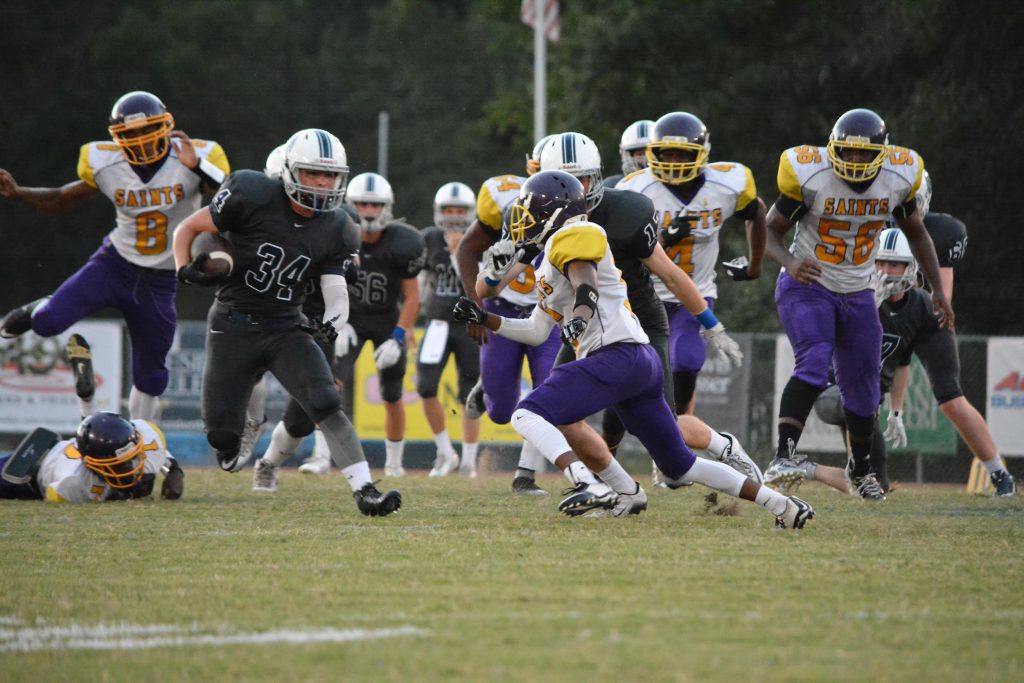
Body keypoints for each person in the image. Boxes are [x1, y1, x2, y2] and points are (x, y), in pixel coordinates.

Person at [453, 171, 812, 527]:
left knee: (526, 414)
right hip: (638, 361)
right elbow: (535, 331)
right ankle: (782, 505)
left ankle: (588, 484)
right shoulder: (549, 256)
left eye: (531, 212)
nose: (523, 220)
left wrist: (580, 316)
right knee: (681, 465)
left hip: (615, 356)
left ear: (556, 213)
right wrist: (485, 319)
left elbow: (586, 283)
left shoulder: (575, 234)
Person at [482, 130, 757, 487]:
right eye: (563, 181)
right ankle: (613, 488)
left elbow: (671, 275)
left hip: (637, 323)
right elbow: (494, 285)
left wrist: (711, 324)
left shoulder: (625, 212)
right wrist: (493, 271)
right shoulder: (538, 215)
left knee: (665, 426)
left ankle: (723, 445)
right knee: (559, 414)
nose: (575, 191)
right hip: (582, 329)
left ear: (596, 177)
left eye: (582, 179)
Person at [172, 128, 401, 517]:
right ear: (290, 170)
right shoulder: (252, 193)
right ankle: (248, 422)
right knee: (222, 437)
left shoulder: (338, 225)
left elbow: (336, 290)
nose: (323, 183)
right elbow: (188, 229)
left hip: (285, 325)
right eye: (314, 173)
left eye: (330, 175)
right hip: (232, 322)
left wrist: (333, 322)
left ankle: (365, 490)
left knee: (325, 402)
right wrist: (183, 269)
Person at [0, 91, 229, 421]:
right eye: (131, 133)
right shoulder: (107, 163)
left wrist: (199, 166)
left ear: (165, 127)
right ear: (117, 136)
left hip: (160, 280)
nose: (141, 140)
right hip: (114, 265)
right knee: (48, 322)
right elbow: (63, 199)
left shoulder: (193, 156)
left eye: (147, 130)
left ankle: (139, 438)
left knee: (151, 377)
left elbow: (225, 196)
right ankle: (43, 305)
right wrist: (19, 192)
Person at [762, 108, 953, 499]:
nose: (854, 160)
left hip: (859, 289)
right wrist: (791, 262)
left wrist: (937, 288)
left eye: (863, 154)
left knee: (865, 388)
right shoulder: (811, 176)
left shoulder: (897, 179)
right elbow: (768, 232)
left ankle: (862, 470)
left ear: (882, 154)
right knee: (814, 360)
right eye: (847, 152)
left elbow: (917, 233)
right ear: (833, 149)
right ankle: (783, 456)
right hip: (808, 282)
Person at [766, 228, 1017, 497]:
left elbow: (902, 361)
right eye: (881, 262)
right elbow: (829, 340)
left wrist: (896, 412)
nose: (886, 270)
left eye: (894, 264)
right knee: (858, 403)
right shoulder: (855, 294)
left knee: (877, 485)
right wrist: (863, 310)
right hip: (833, 389)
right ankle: (815, 465)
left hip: (869, 396)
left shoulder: (920, 305)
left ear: (911, 267)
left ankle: (810, 470)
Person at [614, 112, 767, 482]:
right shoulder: (636, 189)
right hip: (643, 296)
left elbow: (756, 212)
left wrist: (755, 264)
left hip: (693, 293)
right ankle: (658, 450)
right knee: (630, 380)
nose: (673, 162)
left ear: (701, 154)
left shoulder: (727, 183)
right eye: (666, 154)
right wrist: (665, 236)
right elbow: (624, 247)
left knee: (686, 360)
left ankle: (674, 447)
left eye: (682, 155)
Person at [248, 145, 361, 491]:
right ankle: (250, 422)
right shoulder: (253, 215)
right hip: (260, 310)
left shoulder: (337, 221)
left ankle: (267, 463)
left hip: (310, 319)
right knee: (245, 370)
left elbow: (351, 274)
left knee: (303, 416)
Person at [454, 144, 562, 495]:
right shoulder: (505, 198)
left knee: (549, 395)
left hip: (550, 311)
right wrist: (475, 303)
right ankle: (487, 389)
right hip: (504, 307)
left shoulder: (583, 209)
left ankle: (524, 475)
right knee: (500, 412)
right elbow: (467, 248)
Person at [331, 172, 425, 478]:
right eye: (362, 204)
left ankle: (394, 464)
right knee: (329, 385)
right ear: (350, 205)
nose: (369, 211)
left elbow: (412, 296)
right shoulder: (337, 234)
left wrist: (398, 335)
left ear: (387, 207)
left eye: (375, 204)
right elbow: (324, 284)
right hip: (349, 319)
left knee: (392, 394)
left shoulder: (403, 241)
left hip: (386, 321)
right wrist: (337, 321)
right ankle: (320, 455)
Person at [416, 181, 482, 477]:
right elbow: (420, 278)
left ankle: (469, 461)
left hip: (469, 324)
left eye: (459, 211)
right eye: (449, 210)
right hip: (438, 322)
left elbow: (478, 285)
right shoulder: (429, 238)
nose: (454, 216)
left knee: (470, 395)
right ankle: (445, 452)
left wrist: (458, 254)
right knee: (425, 386)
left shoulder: (480, 237)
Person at [0, 410, 183, 503]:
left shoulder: (147, 436)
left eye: (131, 458)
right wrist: (115, 495)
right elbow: (51, 494)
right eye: (119, 464)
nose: (130, 467)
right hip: (30, 474)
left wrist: (174, 471)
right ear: (93, 465)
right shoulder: (74, 481)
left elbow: (156, 451)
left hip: (59, 448)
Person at [602, 118, 654, 188]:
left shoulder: (668, 185)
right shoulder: (615, 186)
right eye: (640, 154)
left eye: (650, 152)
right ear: (627, 155)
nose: (646, 158)